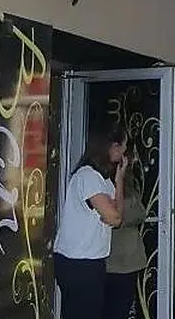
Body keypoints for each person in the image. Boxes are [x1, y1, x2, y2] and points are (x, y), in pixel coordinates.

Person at [54, 128, 127, 319]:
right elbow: (115, 218)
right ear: (112, 146)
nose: (123, 154)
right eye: (122, 148)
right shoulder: (88, 176)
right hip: (78, 262)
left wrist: (119, 181)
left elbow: (116, 216)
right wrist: (110, 215)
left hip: (91, 260)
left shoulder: (103, 181)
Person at [104, 141, 147, 319]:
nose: (135, 159)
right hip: (119, 259)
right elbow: (133, 214)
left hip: (121, 259)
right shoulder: (113, 185)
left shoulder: (128, 183)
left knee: (117, 308)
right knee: (117, 308)